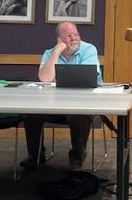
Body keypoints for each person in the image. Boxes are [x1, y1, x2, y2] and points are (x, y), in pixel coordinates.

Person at [20, 21, 101, 171]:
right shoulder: (49, 53)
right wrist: (56, 52)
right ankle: (36, 156)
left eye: (76, 34)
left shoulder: (89, 49)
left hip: (82, 103)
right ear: (59, 39)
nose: (74, 38)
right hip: (55, 104)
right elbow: (45, 78)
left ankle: (77, 157)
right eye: (69, 36)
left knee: (80, 115)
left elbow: (86, 77)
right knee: (31, 114)